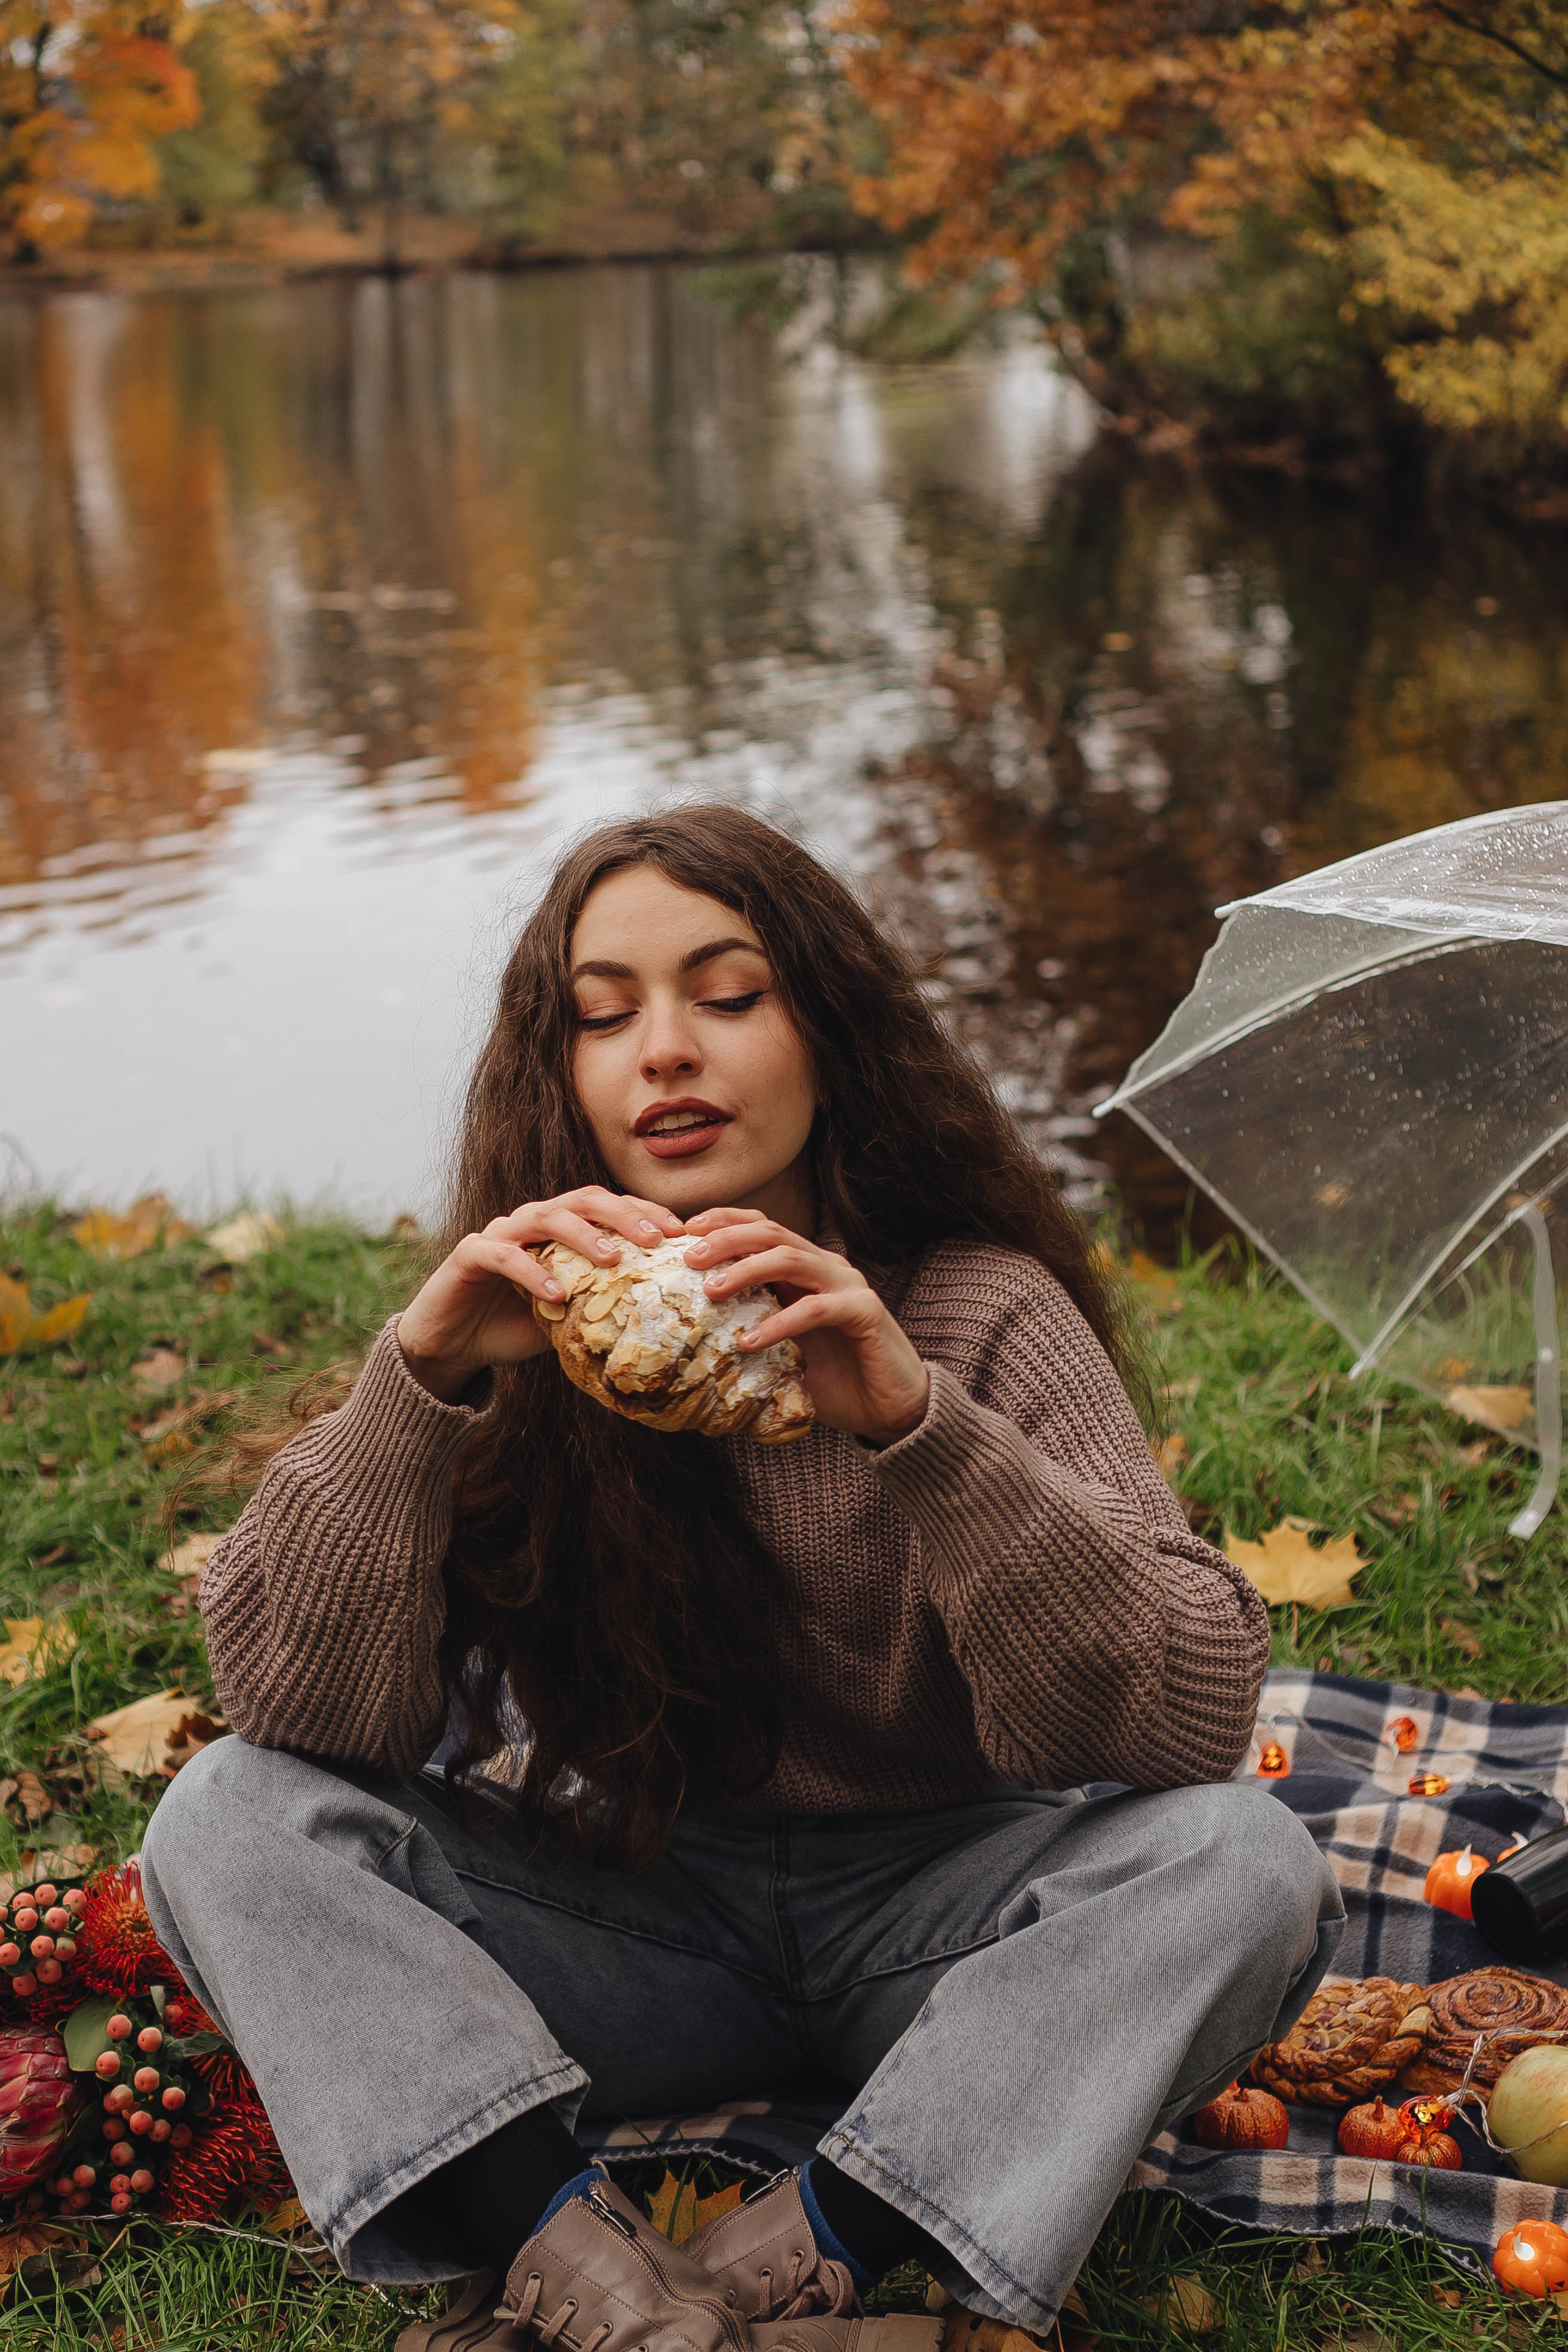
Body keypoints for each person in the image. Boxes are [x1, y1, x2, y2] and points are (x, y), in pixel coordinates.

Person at [141, 805, 1343, 2352]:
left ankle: (800, 2255)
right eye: (604, 1012)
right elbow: (302, 1714)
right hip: (639, 1918)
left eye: (726, 994)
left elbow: (1179, 1717)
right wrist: (415, 1389)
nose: (663, 1051)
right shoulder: (519, 1324)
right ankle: (569, 2253)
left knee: (1242, 1867)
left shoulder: (980, 1314)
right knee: (226, 1814)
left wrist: (917, 1426)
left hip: (952, 1929)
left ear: (827, 1031)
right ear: (558, 1070)